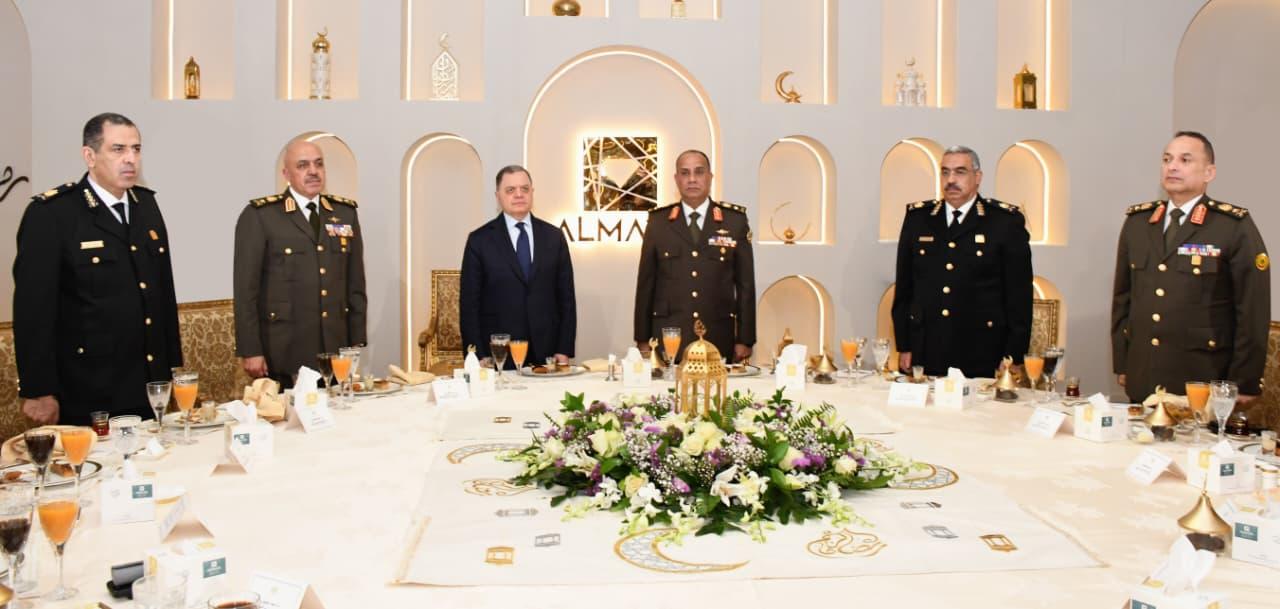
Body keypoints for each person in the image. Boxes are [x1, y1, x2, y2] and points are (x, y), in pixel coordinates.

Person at [12, 112, 182, 425]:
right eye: (118, 149)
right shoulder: (53, 213)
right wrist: (38, 389)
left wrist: (169, 366)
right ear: (89, 156)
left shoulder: (146, 205)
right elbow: (33, 311)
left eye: (136, 149)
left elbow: (161, 292)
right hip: (87, 385)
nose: (130, 159)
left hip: (146, 382)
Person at [1111, 131, 1269, 403]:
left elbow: (1252, 310)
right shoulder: (1138, 222)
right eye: (1167, 159)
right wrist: (1123, 363)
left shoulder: (1232, 226)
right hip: (1143, 373)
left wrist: (1244, 381)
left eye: (1185, 160)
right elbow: (1123, 300)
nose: (1172, 167)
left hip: (1202, 376)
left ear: (1209, 172)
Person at [233, 139, 367, 387]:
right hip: (283, 350)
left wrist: (356, 341)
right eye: (303, 165)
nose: (313, 171)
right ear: (286, 174)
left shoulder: (344, 213)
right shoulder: (261, 216)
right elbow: (246, 291)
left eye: (319, 164)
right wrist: (251, 349)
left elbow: (355, 283)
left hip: (335, 346)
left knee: (340, 410)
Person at [891, 145, 1033, 378]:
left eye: (960, 172)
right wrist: (904, 345)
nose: (951, 180)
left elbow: (1019, 298)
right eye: (945, 172)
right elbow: (905, 289)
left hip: (982, 350)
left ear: (977, 177)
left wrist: (1013, 355)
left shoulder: (1004, 222)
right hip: (927, 348)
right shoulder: (919, 219)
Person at [633, 149, 756, 363]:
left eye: (699, 172)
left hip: (718, 335)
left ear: (710, 177)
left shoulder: (734, 221)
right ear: (676, 179)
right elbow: (646, 285)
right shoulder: (658, 222)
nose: (692, 179)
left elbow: (745, 285)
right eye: (685, 173)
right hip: (669, 335)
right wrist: (642, 338)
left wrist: (745, 339)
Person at [459, 165, 576, 367]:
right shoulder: (479, 240)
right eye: (510, 190)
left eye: (525, 189)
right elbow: (469, 304)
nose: (519, 195)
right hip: (497, 353)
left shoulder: (554, 237)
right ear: (498, 196)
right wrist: (477, 354)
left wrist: (564, 348)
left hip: (547, 351)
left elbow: (566, 299)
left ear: (532, 192)